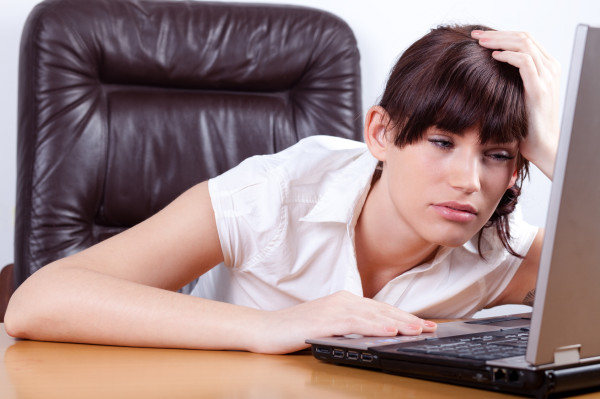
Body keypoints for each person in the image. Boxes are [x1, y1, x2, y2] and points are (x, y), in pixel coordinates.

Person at [4, 25, 560, 355]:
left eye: (498, 155)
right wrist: (272, 326)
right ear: (381, 133)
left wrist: (558, 148)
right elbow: (36, 303)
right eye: (441, 142)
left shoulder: (501, 252)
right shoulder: (277, 192)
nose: (469, 180)